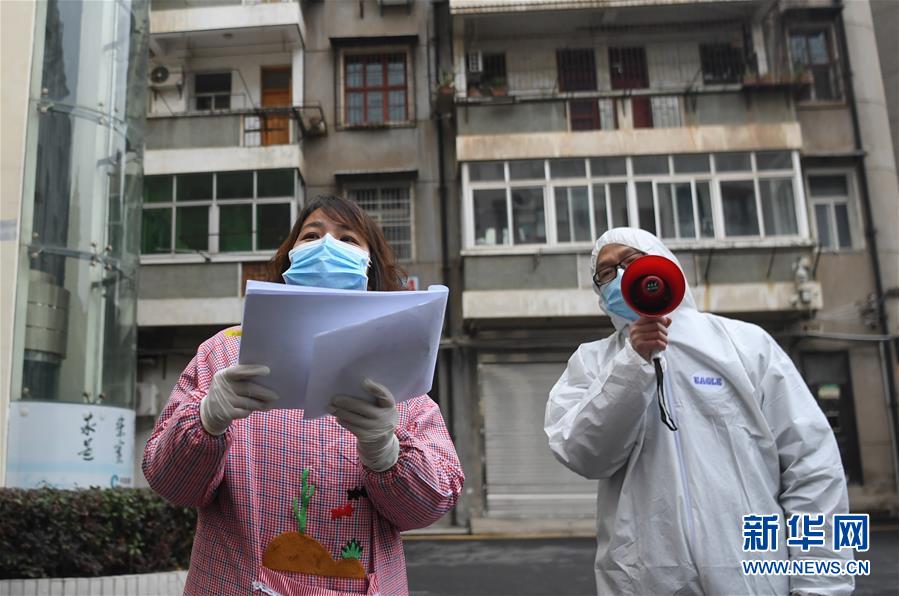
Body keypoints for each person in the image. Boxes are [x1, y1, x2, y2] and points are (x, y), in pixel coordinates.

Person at [143, 195, 464, 596]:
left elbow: (429, 507)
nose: (327, 247)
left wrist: (387, 453)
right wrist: (206, 422)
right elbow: (171, 484)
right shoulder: (225, 355)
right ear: (289, 257)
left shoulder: (400, 374)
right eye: (311, 235)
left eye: (348, 239)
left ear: (371, 266)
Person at [544, 227, 853, 595]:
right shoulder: (592, 362)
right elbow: (585, 454)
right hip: (644, 581)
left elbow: (812, 466)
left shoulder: (743, 345)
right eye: (606, 273)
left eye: (630, 261)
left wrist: (821, 586)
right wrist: (632, 363)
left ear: (663, 263)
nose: (620, 276)